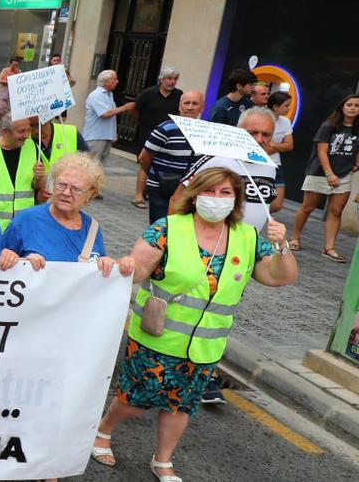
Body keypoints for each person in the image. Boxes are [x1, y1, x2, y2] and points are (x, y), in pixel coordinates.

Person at [93, 167, 296, 482]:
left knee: (180, 406)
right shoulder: (168, 228)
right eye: (209, 191)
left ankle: (163, 460)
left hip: (205, 347)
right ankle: (103, 430)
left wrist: (282, 246)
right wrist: (123, 266)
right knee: (134, 400)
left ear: (236, 199)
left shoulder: (249, 237)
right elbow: (140, 269)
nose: (216, 199)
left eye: (225, 193)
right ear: (196, 194)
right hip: (156, 337)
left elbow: (281, 276)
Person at [3, 153, 136, 277]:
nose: (66, 193)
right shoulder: (26, 220)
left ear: (91, 195)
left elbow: (95, 271)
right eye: (61, 185)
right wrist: (21, 263)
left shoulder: (92, 228)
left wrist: (107, 264)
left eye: (76, 189)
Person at [172, 107, 279, 232]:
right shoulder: (215, 159)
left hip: (248, 244)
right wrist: (173, 236)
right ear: (238, 130)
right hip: (208, 240)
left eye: (266, 134)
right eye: (252, 133)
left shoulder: (270, 166)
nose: (259, 139)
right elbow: (178, 198)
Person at [289, 94, 359, 262]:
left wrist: (356, 163)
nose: (353, 108)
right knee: (307, 207)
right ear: (342, 107)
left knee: (336, 211)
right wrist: (329, 174)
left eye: (357, 105)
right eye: (349, 104)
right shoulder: (329, 126)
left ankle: (329, 248)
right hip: (320, 172)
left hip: (344, 174)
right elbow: (321, 152)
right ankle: (295, 238)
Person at [139, 90, 204, 224]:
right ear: (180, 106)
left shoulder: (206, 132)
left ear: (202, 107)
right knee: (162, 228)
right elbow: (144, 157)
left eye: (195, 103)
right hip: (162, 189)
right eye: (187, 103)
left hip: (190, 191)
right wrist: (155, 176)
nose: (190, 107)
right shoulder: (165, 128)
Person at [0, 112, 39, 230]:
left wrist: (40, 177)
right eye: (21, 131)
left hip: (24, 226)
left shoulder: (32, 147)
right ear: (5, 132)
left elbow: (38, 187)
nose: (26, 135)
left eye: (28, 130)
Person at [132, 67, 183, 209]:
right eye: (169, 79)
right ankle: (138, 195)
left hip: (170, 137)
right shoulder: (147, 94)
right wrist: (143, 125)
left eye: (175, 79)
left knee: (162, 165)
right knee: (145, 164)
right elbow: (136, 111)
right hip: (149, 134)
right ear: (161, 79)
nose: (172, 82)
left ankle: (153, 191)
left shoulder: (179, 95)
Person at [84, 70, 135, 164]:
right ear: (106, 82)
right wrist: (125, 107)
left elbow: (112, 115)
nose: (117, 81)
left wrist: (113, 133)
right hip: (96, 136)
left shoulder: (109, 94)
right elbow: (105, 114)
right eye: (115, 79)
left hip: (105, 135)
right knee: (92, 164)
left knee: (101, 164)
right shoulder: (96, 95)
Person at [267, 91, 295, 213]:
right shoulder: (262, 119)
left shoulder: (286, 121)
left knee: (277, 205)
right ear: (275, 106)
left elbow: (289, 146)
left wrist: (272, 144)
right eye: (286, 105)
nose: (289, 108)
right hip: (259, 164)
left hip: (276, 165)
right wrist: (279, 146)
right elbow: (261, 149)